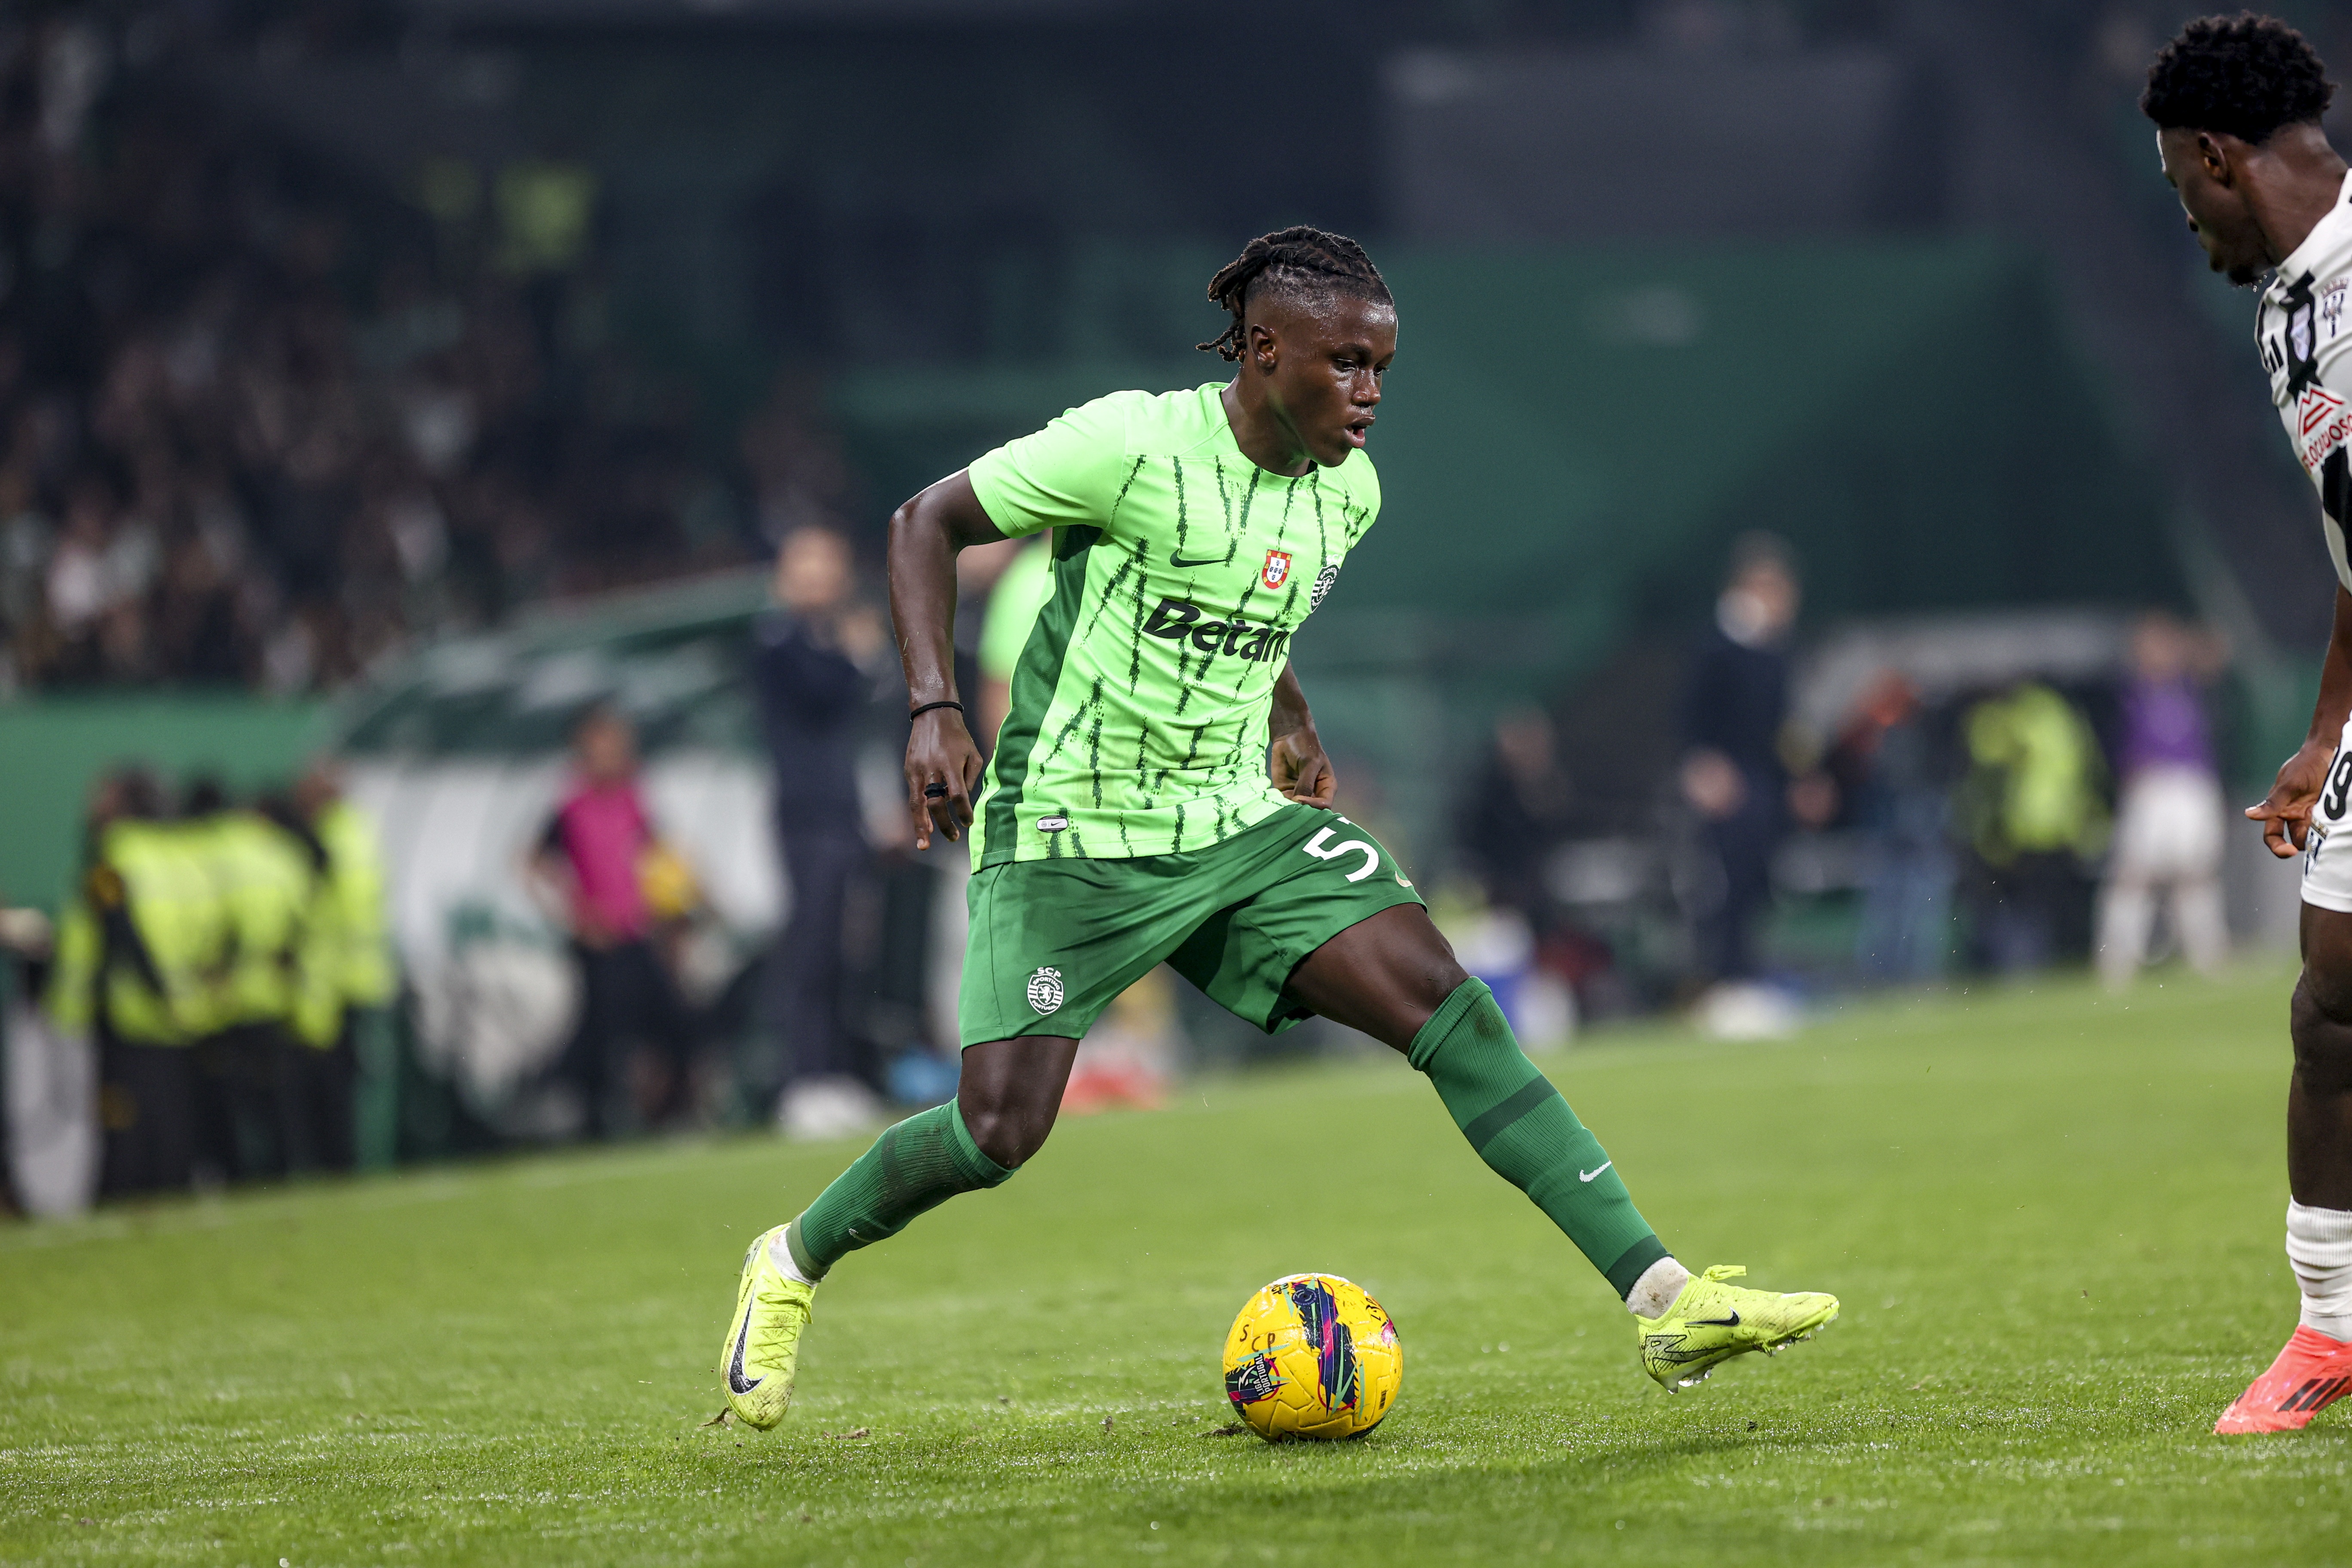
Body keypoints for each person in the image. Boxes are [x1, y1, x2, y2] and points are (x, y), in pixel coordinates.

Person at [715, 226, 1838, 1431]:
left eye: (1381, 369)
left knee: (1446, 1002)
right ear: (1261, 351)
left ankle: (1661, 1299)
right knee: (996, 1132)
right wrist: (935, 710)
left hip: (1234, 824)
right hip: (1068, 834)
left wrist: (1288, 717)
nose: (1368, 393)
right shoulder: (1128, 444)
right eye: (1344, 363)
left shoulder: (1349, 493)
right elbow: (920, 523)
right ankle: (789, 1258)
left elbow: (1256, 603)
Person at [2148, 12, 2352, 1432]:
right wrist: (2326, 728)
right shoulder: (2289, 311)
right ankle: (2330, 1329)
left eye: (2179, 183)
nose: (2183, 214)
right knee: (2330, 1004)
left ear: (2220, 158)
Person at [751, 525, 890, 1139]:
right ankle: (802, 1081)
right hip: (806, 820)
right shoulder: (776, 640)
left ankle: (834, 1075)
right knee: (808, 952)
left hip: (843, 816)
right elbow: (821, 690)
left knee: (840, 953)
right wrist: (857, 657)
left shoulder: (828, 639)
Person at [529, 706, 695, 1137]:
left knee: (672, 1023)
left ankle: (666, 1113)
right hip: (598, 943)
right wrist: (574, 916)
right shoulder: (572, 807)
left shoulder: (631, 800)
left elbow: (661, 856)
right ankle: (582, 1114)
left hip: (635, 934)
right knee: (600, 1033)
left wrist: (683, 905)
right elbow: (532, 864)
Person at [1677, 535, 1827, 989]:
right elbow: (1691, 718)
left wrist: (1805, 777)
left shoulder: (1775, 652)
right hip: (1728, 787)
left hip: (1764, 785)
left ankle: (1746, 972)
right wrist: (1703, 768)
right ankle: (1723, 977)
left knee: (1761, 880)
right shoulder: (1716, 647)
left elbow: (1784, 726)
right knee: (1726, 884)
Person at [2097, 614, 2230, 990]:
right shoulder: (2132, 690)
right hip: (2151, 784)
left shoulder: (2189, 684)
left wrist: (2182, 645)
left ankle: (2208, 954)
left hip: (2192, 783)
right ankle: (2117, 960)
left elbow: (2218, 651)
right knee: (2134, 875)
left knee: (2195, 874)